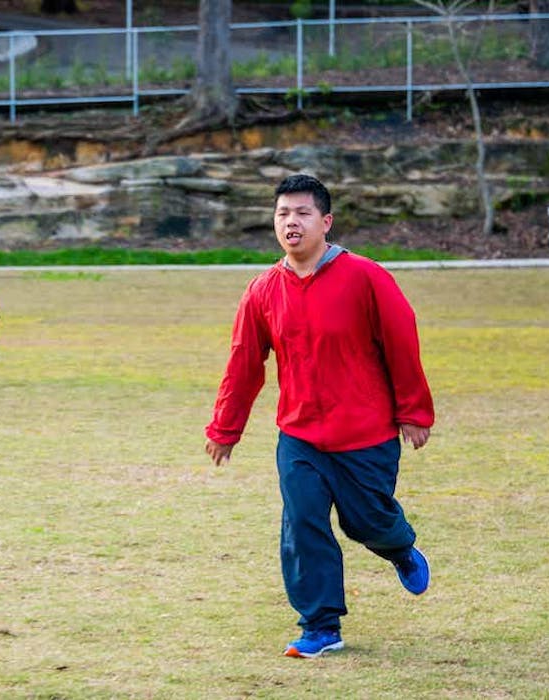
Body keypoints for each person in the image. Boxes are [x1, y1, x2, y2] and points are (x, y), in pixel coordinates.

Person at [204, 174, 434, 659]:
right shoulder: (263, 290)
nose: (292, 222)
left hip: (365, 434)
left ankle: (399, 547)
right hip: (300, 437)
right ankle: (320, 626)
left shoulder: (366, 277)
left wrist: (413, 411)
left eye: (303, 213)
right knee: (303, 522)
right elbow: (244, 362)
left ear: (325, 222)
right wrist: (226, 428)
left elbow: (402, 341)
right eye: (283, 213)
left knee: (365, 521)